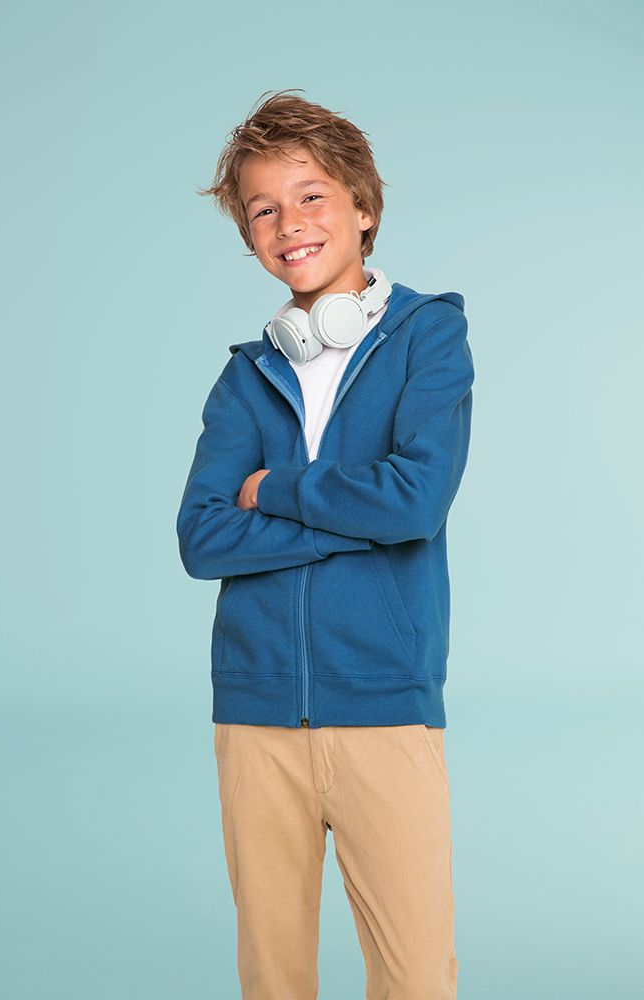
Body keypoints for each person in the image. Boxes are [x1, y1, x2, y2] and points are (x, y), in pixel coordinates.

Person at [176, 88, 475, 1000]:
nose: (289, 223)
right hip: (254, 713)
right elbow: (203, 537)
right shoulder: (245, 377)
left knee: (415, 978)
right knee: (271, 978)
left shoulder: (430, 336)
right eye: (263, 210)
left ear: (362, 206)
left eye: (310, 196)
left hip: (385, 704)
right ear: (249, 236)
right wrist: (351, 523)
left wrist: (276, 491)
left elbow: (414, 501)